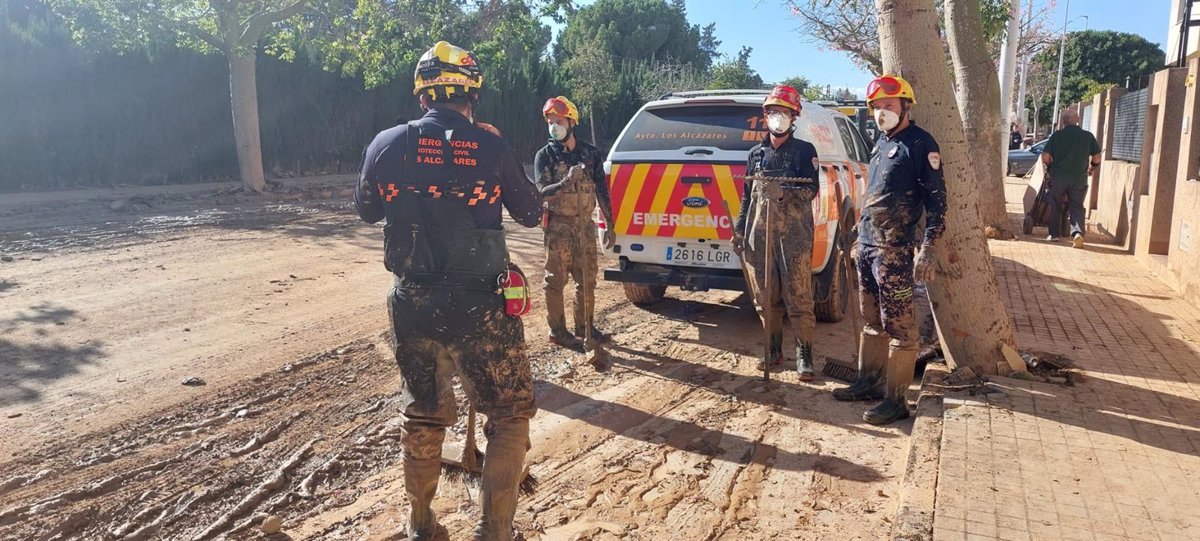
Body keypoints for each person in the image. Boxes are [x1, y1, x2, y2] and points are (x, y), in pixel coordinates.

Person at [354, 40, 542, 541]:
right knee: (509, 412)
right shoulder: (492, 145)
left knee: (423, 413)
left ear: (422, 95)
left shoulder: (386, 143)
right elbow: (528, 212)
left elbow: (369, 211)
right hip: (482, 303)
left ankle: (422, 526)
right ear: (472, 92)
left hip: (413, 303)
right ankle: (493, 532)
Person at [832, 75, 946, 426]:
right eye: (878, 107)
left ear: (905, 107)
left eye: (889, 106)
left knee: (900, 328)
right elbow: (873, 197)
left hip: (895, 251)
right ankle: (869, 381)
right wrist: (854, 233)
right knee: (871, 321)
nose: (882, 112)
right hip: (867, 246)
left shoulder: (920, 144)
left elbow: (938, 204)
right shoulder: (880, 144)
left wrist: (927, 248)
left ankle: (896, 400)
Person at [732, 84, 820, 380]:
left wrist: (785, 192)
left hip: (794, 237)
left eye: (784, 112)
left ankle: (804, 354)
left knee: (799, 296)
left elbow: (812, 190)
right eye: (773, 112)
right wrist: (739, 229)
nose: (778, 117)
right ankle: (772, 350)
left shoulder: (804, 151)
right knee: (765, 296)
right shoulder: (756, 154)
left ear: (794, 116)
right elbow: (747, 196)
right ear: (765, 115)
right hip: (760, 236)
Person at [534, 96, 616, 352]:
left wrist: (610, 223)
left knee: (587, 279)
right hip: (558, 227)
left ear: (571, 121)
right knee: (555, 281)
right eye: (549, 122)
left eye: (558, 121)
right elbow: (542, 191)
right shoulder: (544, 156)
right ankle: (558, 331)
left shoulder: (590, 154)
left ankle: (586, 327)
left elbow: (602, 189)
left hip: (584, 226)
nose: (553, 126)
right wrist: (566, 182)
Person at [1041, 109, 1101, 248]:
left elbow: (1045, 156)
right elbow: (1097, 157)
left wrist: (1050, 167)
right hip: (1079, 179)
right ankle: (1078, 233)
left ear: (1063, 121)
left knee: (1055, 204)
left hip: (1058, 177)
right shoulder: (1087, 136)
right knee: (1076, 206)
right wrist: (1092, 168)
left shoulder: (1057, 136)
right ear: (1078, 119)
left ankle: (1054, 235)